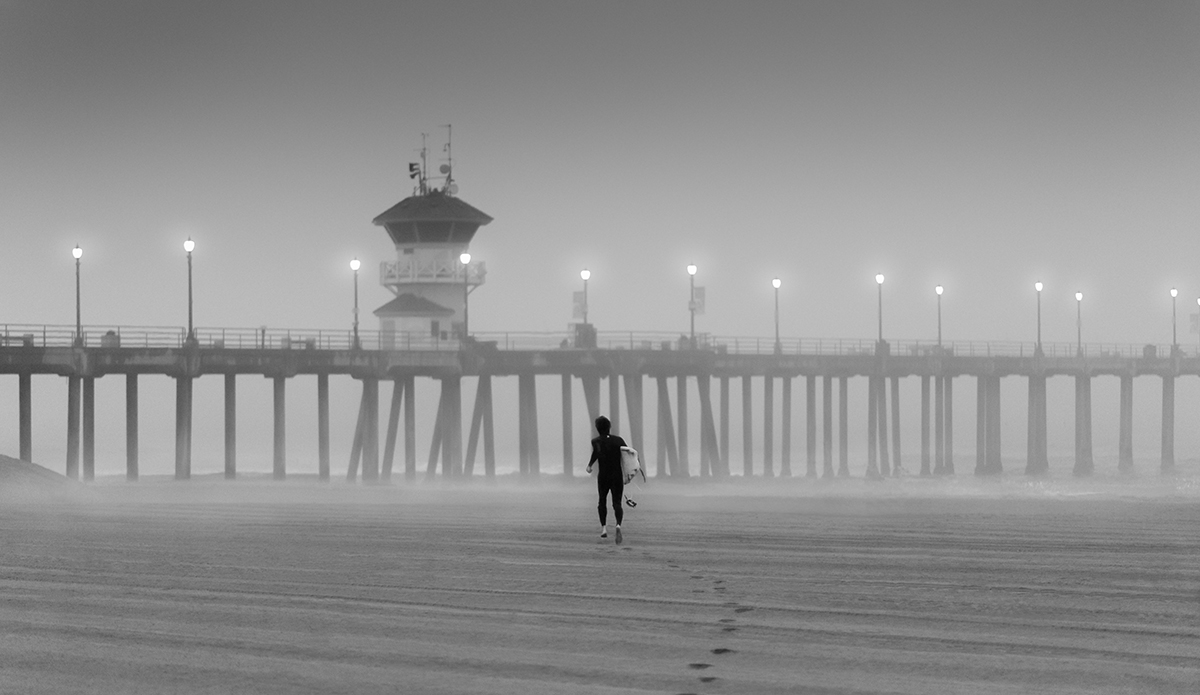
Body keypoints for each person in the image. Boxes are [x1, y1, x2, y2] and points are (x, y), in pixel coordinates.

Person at [586, 415, 627, 543]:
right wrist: (630, 473)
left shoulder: (596, 441)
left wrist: (589, 465)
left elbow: (597, 453)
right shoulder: (619, 440)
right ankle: (618, 525)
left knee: (602, 501)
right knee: (617, 503)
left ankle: (604, 528)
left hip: (603, 476)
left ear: (597, 428)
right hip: (617, 475)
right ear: (609, 427)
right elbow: (628, 456)